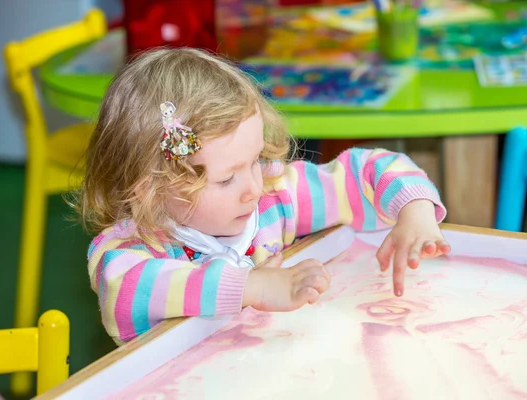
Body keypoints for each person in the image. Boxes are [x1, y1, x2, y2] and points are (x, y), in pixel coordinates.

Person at [74, 48, 451, 345]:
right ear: (152, 188)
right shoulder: (128, 252)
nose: (252, 187)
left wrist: (414, 211)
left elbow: (367, 172)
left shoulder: (275, 197)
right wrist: (251, 286)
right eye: (226, 180)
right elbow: (125, 290)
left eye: (254, 161)